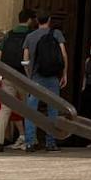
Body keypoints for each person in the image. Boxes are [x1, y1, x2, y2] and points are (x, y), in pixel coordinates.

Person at [0, 9, 36, 154]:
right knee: (28, 108)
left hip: (8, 75)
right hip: (23, 76)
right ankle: (30, 140)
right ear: (29, 20)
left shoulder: (8, 35)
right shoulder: (31, 35)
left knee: (5, 108)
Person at [22, 14, 67, 154]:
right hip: (52, 76)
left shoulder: (30, 36)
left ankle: (29, 142)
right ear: (49, 20)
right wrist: (64, 73)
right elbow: (64, 54)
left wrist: (29, 75)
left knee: (31, 110)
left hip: (36, 77)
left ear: (36, 21)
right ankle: (51, 142)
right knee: (53, 109)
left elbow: (25, 59)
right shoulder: (56, 33)